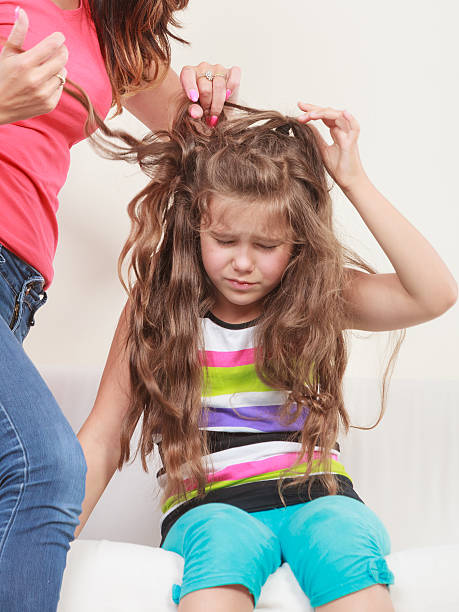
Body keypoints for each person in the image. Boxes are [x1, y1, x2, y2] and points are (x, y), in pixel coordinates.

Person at [75, 96, 457, 611]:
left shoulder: (315, 295)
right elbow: (100, 440)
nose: (243, 264)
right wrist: (40, 542)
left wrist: (353, 181)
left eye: (267, 246)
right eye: (225, 239)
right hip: (211, 507)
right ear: (196, 227)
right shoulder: (158, 306)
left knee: (344, 536)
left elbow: (433, 294)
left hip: (319, 498)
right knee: (222, 542)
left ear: (298, 244)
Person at [0, 1, 240, 610]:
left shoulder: (112, 29)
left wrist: (211, 101)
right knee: (44, 467)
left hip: (16, 288)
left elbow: (207, 145)